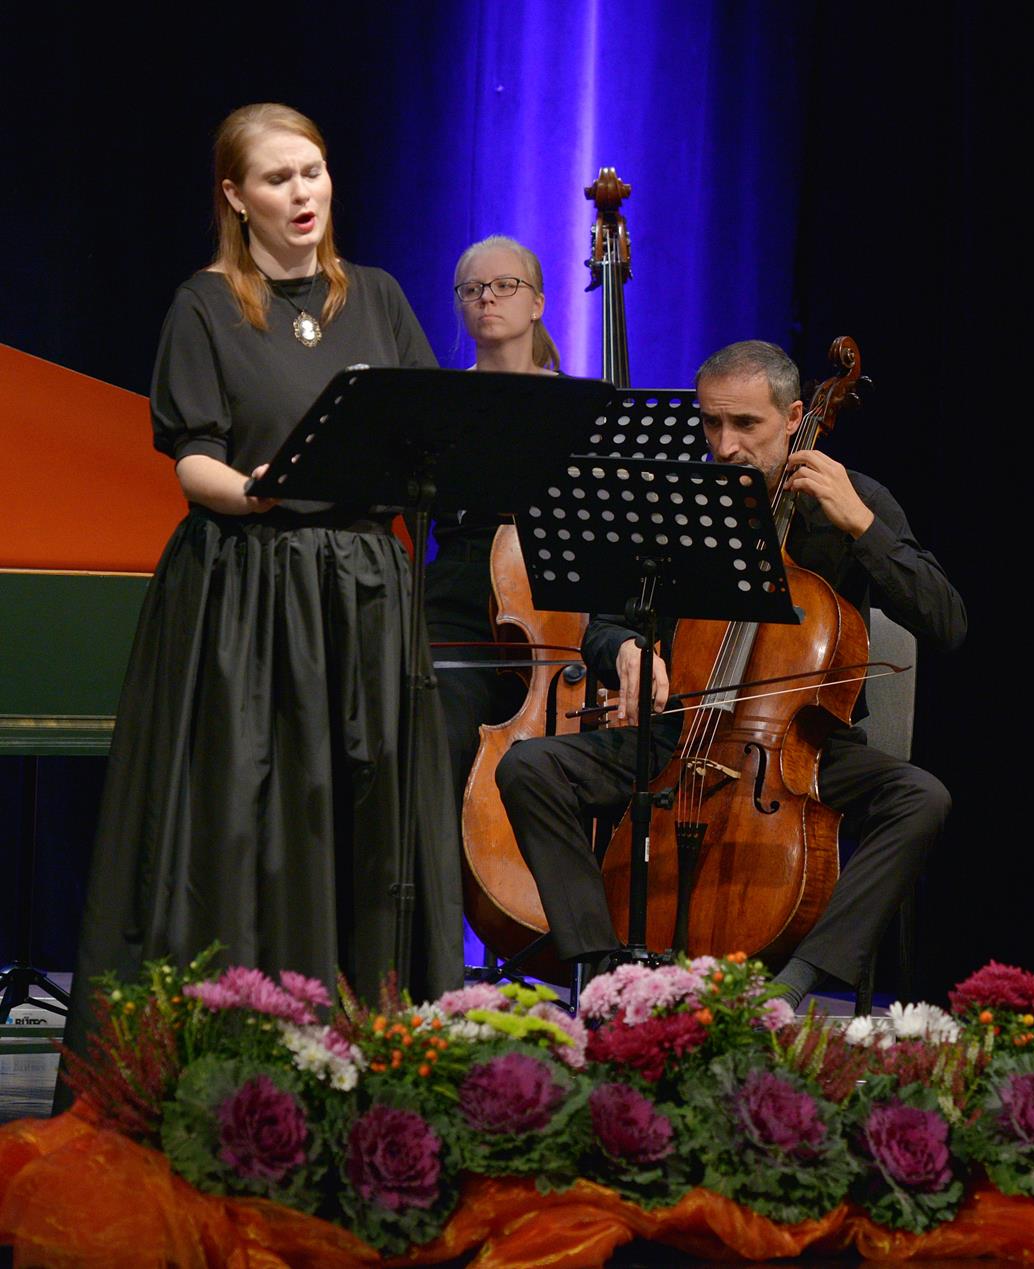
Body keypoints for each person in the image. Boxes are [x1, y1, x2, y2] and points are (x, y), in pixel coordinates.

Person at [62, 103, 461, 1090]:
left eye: (312, 171)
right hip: (250, 586)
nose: (302, 192)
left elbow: (431, 428)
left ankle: (377, 1048)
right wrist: (256, 490)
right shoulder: (204, 306)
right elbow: (192, 457)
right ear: (236, 198)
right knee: (249, 815)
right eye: (278, 178)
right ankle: (237, 1055)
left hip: (364, 590)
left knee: (362, 811)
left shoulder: (377, 295)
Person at [494, 339, 966, 1000]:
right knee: (527, 767)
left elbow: (947, 622)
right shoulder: (683, 501)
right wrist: (627, 650)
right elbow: (606, 623)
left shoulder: (854, 500)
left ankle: (802, 978)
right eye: (712, 423)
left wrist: (864, 528)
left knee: (922, 797)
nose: (725, 446)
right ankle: (600, 969)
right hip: (681, 733)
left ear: (795, 416)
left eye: (746, 424)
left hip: (803, 745)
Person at [425, 236, 562, 813]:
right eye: (473, 289)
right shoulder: (438, 403)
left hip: (553, 604)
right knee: (435, 735)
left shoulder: (576, 404)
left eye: (506, 285)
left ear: (537, 304)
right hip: (458, 604)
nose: (488, 297)